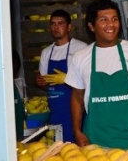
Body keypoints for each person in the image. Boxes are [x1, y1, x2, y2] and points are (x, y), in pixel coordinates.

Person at [65, 0, 128, 149]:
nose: (111, 24)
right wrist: (76, 130)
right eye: (104, 20)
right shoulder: (81, 57)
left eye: (115, 19)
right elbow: (77, 97)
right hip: (95, 141)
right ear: (91, 26)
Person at [35, 9, 88, 143]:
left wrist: (67, 79)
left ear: (69, 27)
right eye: (53, 24)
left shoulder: (81, 49)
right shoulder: (46, 52)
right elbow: (45, 84)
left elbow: (90, 80)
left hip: (76, 112)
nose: (56, 27)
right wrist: (40, 82)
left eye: (60, 23)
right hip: (55, 112)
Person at [11, 50, 25, 141]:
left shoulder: (20, 82)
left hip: (20, 126)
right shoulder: (1, 86)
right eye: (12, 63)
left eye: (16, 64)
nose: (14, 67)